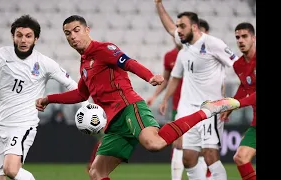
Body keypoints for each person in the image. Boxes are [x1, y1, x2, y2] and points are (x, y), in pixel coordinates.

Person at [34, 15, 240, 180]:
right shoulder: (84, 63)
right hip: (113, 124)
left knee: (155, 144)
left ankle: (207, 110)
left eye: (76, 31)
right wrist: (49, 99)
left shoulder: (104, 49)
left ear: (87, 30)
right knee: (96, 173)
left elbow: (128, 62)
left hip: (128, 108)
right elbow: (80, 94)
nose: (72, 37)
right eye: (67, 34)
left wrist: (149, 76)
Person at [0, 15, 87, 180]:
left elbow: (72, 85)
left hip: (22, 125)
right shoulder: (0, 55)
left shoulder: (44, 63)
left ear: (36, 39)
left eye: (28, 36)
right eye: (19, 35)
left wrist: (87, 106)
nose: (23, 40)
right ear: (13, 36)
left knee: (11, 169)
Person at [154, 0, 239, 179]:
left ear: (194, 27)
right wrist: (159, 4)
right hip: (187, 111)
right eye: (178, 26)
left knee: (210, 156)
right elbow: (169, 28)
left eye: (182, 26)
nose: (178, 30)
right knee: (188, 158)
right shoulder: (185, 47)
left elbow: (238, 65)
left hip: (210, 109)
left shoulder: (213, 43)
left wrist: (235, 99)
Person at [146, 18, 211, 180]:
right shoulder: (170, 56)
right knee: (178, 143)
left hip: (201, 106)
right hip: (179, 105)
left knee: (200, 147)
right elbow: (168, 79)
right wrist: (157, 97)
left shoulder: (201, 54)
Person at [220, 22, 256, 180]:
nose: (240, 40)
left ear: (253, 38)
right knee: (240, 157)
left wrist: (239, 104)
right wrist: (231, 105)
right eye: (237, 37)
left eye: (244, 36)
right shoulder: (239, 65)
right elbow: (244, 86)